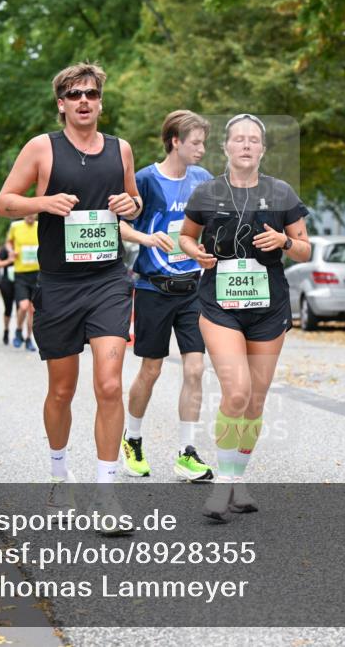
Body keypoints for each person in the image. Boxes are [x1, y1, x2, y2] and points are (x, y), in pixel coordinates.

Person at [0, 62, 141, 527]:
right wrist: (42, 204)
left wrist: (129, 204)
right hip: (58, 282)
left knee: (110, 383)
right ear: (61, 103)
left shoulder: (121, 150)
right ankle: (59, 473)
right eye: (75, 94)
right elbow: (4, 203)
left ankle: (106, 494)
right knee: (62, 389)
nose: (84, 101)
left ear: (100, 101)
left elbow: (135, 202)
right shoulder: (43, 148)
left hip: (108, 281)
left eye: (92, 94)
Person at [179, 113, 312, 521]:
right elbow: (186, 234)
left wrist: (285, 240)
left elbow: (305, 249)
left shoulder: (282, 192)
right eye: (239, 139)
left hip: (268, 307)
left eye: (254, 140)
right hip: (220, 305)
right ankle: (222, 484)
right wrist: (193, 251)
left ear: (263, 149)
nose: (246, 146)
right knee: (235, 392)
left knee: (254, 400)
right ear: (227, 148)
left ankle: (237, 476)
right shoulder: (205, 192)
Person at [119, 110, 214, 481]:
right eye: (196, 142)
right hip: (153, 288)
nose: (202, 149)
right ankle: (134, 438)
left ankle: (186, 452)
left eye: (204, 142)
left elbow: (213, 222)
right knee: (151, 369)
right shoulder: (145, 179)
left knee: (195, 368)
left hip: (193, 289)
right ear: (175, 141)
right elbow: (119, 223)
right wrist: (147, 238)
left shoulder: (203, 179)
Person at [6, 214, 40, 351]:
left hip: (37, 273)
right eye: (28, 214)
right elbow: (8, 242)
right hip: (21, 273)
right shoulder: (16, 226)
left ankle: (28, 339)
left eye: (33, 214)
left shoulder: (40, 226)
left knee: (32, 310)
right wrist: (11, 251)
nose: (31, 216)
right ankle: (19, 330)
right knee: (24, 306)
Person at [0, 244, 16, 344]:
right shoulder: (6, 249)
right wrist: (9, 261)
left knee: (22, 308)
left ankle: (20, 332)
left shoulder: (26, 245)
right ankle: (6, 330)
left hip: (23, 281)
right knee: (8, 309)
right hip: (7, 282)